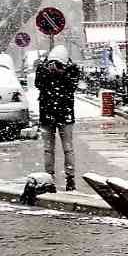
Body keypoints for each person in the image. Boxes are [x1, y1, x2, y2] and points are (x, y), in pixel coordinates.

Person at [34, 45, 83, 190]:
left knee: (61, 148)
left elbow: (72, 85)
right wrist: (50, 73)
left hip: (57, 113)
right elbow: (39, 84)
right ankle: (52, 176)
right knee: (57, 148)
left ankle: (68, 177)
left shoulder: (71, 69)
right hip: (57, 113)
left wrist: (61, 73)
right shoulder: (44, 68)